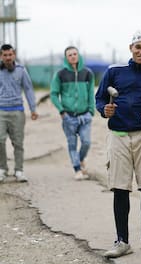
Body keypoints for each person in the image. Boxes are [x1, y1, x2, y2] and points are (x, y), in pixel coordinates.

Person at [95, 30, 141, 258]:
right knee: (120, 187)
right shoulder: (114, 72)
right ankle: (122, 241)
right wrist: (103, 110)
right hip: (118, 134)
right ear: (131, 48)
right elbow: (99, 98)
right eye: (138, 47)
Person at [50, 46, 95, 181]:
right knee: (72, 145)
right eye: (69, 55)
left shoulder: (88, 73)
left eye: (75, 54)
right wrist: (62, 111)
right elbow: (53, 94)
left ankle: (80, 161)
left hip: (85, 115)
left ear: (78, 55)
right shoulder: (60, 74)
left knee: (86, 142)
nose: (73, 57)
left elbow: (91, 93)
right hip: (68, 116)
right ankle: (77, 169)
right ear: (66, 58)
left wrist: (91, 111)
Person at [0, 44, 38, 183]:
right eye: (5, 55)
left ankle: (19, 170)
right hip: (1, 111)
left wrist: (33, 109)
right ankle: (2, 169)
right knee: (0, 140)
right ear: (1, 56)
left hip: (17, 111)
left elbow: (28, 89)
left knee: (18, 143)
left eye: (10, 55)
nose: (8, 58)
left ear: (14, 55)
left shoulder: (21, 70)